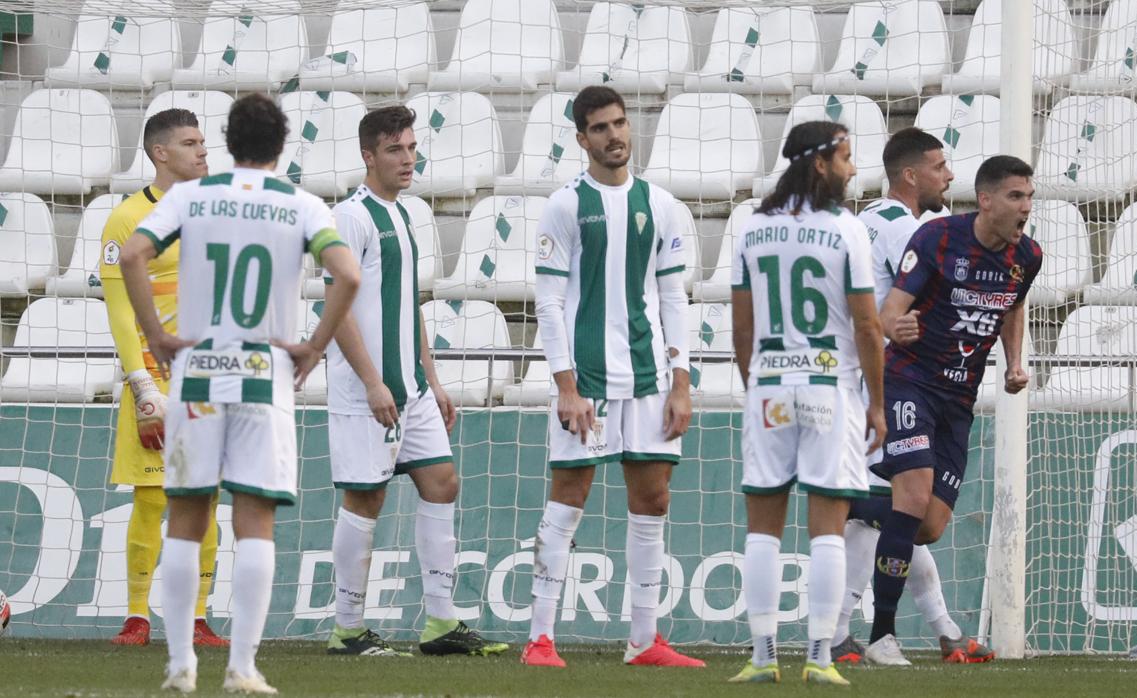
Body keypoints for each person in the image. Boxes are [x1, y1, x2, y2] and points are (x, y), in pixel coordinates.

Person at [120, 93, 361, 693]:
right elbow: (349, 275)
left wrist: (157, 335)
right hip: (264, 374)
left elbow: (132, 255)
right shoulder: (300, 204)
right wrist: (313, 345)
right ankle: (243, 667)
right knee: (254, 521)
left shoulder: (191, 196)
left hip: (198, 372)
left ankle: (179, 665)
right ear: (282, 146)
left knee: (186, 516)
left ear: (228, 142)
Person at [520, 85, 701, 669]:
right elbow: (548, 304)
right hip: (589, 381)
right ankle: (540, 638)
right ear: (582, 139)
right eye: (600, 128)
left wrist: (681, 380)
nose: (614, 136)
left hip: (649, 376)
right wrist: (565, 386)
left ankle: (644, 640)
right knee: (568, 500)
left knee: (653, 499)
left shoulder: (663, 204)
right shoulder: (565, 205)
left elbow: (674, 295)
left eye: (620, 124)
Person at [322, 106, 506, 658]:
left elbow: (407, 304)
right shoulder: (350, 218)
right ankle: (347, 628)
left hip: (414, 390)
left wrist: (431, 378)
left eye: (411, 147)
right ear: (368, 156)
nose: (409, 158)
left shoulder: (404, 214)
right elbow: (340, 308)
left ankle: (441, 625)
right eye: (395, 150)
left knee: (443, 482)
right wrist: (374, 382)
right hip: (365, 391)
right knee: (366, 498)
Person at [862, 155, 1043, 666]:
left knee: (928, 525)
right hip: (909, 382)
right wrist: (892, 326)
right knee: (914, 495)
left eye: (1029, 197)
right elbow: (889, 311)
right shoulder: (938, 239)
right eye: (1015, 196)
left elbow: (1011, 306)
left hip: (958, 399)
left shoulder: (1027, 256)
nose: (1025, 207)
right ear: (985, 201)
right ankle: (882, 636)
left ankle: (848, 508)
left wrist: (1015, 363)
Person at [726, 120, 886, 685]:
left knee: (763, 528)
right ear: (819, 163)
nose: (853, 168)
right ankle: (819, 658)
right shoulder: (846, 227)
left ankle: (762, 656)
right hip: (828, 387)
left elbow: (741, 328)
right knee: (827, 528)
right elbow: (867, 324)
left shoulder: (754, 226)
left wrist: (757, 385)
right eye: (846, 156)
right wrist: (877, 403)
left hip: (769, 387)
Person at [831, 128, 995, 664]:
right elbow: (946, 287)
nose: (949, 176)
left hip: (868, 379)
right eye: (940, 166)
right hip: (883, 385)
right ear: (910, 175)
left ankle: (940, 629)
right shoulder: (904, 230)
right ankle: (851, 633)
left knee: (905, 513)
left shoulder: (870, 221)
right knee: (905, 507)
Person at [98, 108, 228, 648]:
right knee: (153, 499)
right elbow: (121, 310)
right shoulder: (126, 218)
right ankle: (137, 615)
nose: (203, 151)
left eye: (203, 142)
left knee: (205, 498)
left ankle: (197, 617)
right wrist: (142, 386)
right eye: (191, 143)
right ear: (160, 153)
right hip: (154, 380)